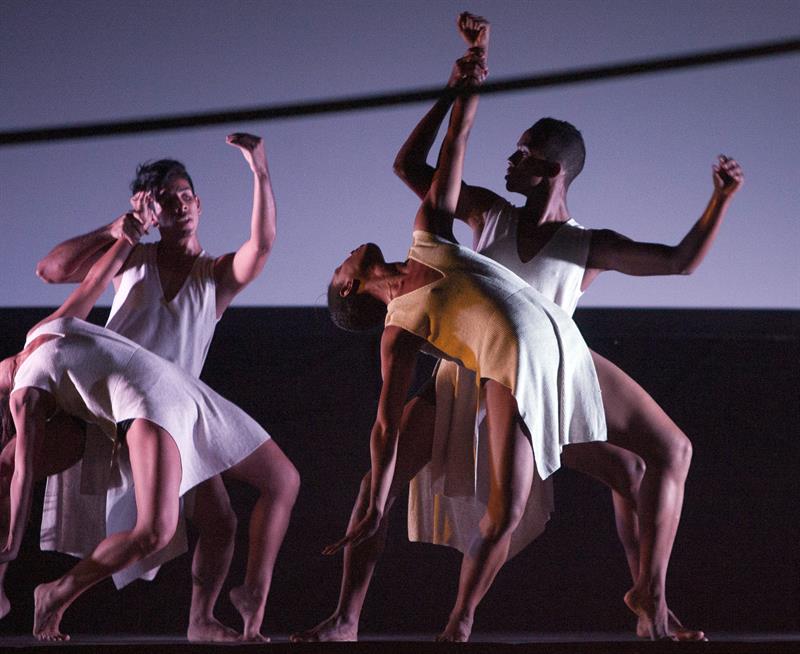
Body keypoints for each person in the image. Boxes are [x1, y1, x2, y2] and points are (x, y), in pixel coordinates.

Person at [314, 13, 629, 642]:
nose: (347, 249)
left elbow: (449, 146)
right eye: (340, 267)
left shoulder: (556, 246)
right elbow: (427, 159)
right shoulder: (470, 231)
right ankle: (346, 618)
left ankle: (647, 607)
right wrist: (463, 84)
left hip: (528, 375)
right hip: (462, 375)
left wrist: (466, 80)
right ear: (352, 288)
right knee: (376, 482)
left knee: (634, 471)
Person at [0, 134, 287, 641]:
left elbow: (261, 247)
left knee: (220, 522)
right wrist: (116, 229)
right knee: (10, 464)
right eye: (165, 199)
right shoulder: (131, 260)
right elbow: (51, 271)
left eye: (184, 196)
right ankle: (14, 579)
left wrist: (260, 171)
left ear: (198, 204)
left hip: (174, 418)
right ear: (150, 209)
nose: (178, 205)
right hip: (105, 407)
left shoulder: (213, 275)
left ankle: (200, 619)